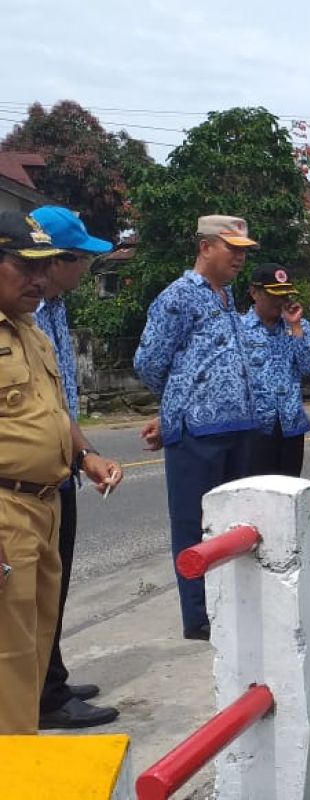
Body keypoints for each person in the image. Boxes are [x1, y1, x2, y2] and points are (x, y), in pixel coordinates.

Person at [134, 215, 258, 641]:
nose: (240, 258)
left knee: (235, 523)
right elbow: (149, 361)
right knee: (194, 523)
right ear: (206, 247)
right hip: (197, 430)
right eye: (232, 249)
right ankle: (198, 614)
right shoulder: (178, 297)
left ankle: (231, 603)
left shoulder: (226, 295)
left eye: (243, 250)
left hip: (239, 424)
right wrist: (181, 398)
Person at [29, 207, 124, 729]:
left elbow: (58, 400)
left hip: (59, 466)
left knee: (54, 582)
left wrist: (84, 453)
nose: (89, 266)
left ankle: (52, 677)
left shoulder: (55, 308)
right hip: (26, 479)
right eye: (83, 257)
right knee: (32, 593)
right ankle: (45, 695)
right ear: (56, 260)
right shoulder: (24, 312)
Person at [0, 212, 73, 734]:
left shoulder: (31, 332)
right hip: (6, 513)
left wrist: (86, 455)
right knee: (7, 657)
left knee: (33, 651)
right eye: (25, 266)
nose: (40, 279)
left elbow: (50, 413)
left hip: (45, 507)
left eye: (45, 266)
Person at [242, 264, 310, 478]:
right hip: (255, 428)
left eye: (285, 294)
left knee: (289, 492)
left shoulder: (298, 326)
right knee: (258, 494)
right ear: (255, 293)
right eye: (274, 295)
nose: (281, 301)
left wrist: (295, 328)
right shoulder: (240, 329)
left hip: (290, 424)